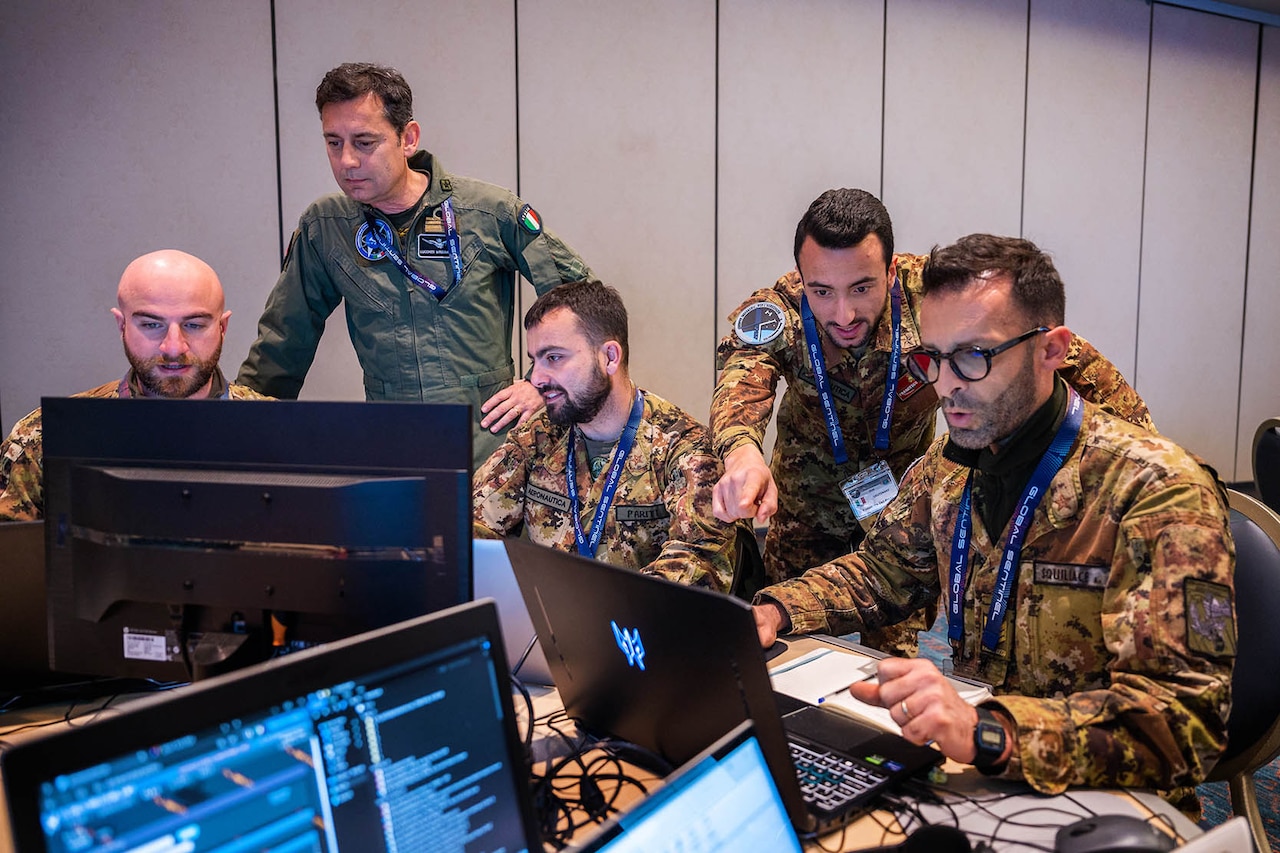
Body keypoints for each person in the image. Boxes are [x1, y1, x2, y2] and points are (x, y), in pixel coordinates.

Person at [751, 234, 1233, 812]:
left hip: (1113, 809)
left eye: (974, 356)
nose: (947, 385)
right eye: (932, 358)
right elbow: (884, 571)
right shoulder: (953, 466)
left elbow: (1184, 723)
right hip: (987, 783)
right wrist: (773, 610)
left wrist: (992, 732)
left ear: (1051, 351)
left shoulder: (1155, 491)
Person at [711, 188, 1154, 656]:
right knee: (788, 647)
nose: (843, 313)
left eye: (862, 288)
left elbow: (1055, 351)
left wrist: (1141, 457)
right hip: (808, 513)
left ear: (891, 269)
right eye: (822, 292)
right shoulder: (779, 309)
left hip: (912, 506)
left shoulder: (938, 300)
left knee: (892, 659)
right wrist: (742, 452)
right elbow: (743, 375)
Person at [236, 62, 593, 468]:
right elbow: (282, 345)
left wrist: (540, 383)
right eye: (333, 143)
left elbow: (582, 301)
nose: (347, 161)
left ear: (407, 138)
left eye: (364, 142)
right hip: (393, 446)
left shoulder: (487, 212)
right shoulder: (327, 227)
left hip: (494, 449)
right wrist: (237, 432)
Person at [473, 279, 738, 592]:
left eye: (554, 358)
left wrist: (603, 615)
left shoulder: (683, 449)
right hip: (547, 629)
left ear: (610, 357)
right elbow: (472, 528)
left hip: (637, 632)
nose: (537, 378)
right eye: (535, 360)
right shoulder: (538, 436)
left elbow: (697, 564)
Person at [0, 250, 271, 521]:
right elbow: (15, 558)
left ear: (222, 327)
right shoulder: (46, 439)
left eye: (194, 324)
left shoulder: (275, 433)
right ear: (122, 325)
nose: (174, 347)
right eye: (152, 324)